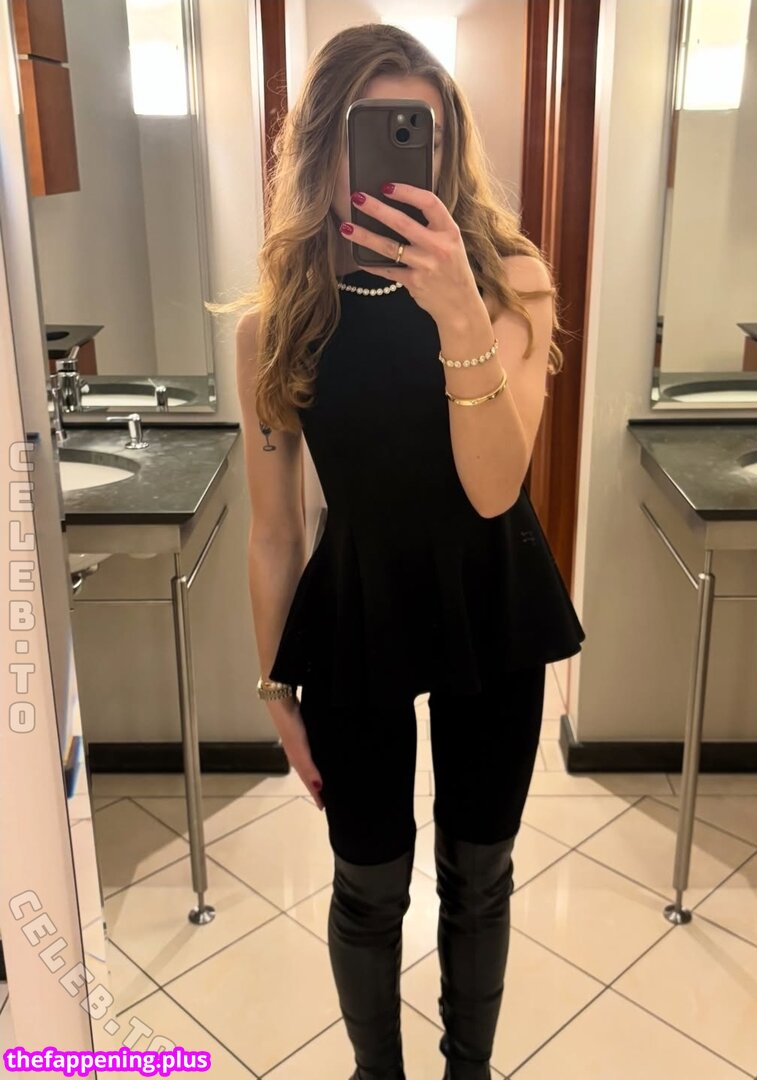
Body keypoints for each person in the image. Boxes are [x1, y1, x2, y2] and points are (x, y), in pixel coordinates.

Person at [221, 22, 585, 1080]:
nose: (390, 156)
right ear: (322, 147)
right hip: (357, 609)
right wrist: (274, 687)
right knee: (367, 880)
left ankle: (468, 1070)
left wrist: (459, 309)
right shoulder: (276, 324)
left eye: (415, 132)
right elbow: (275, 530)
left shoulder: (508, 279)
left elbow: (492, 489)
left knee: (480, 872)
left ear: (444, 146)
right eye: (367, 129)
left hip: (491, 598)